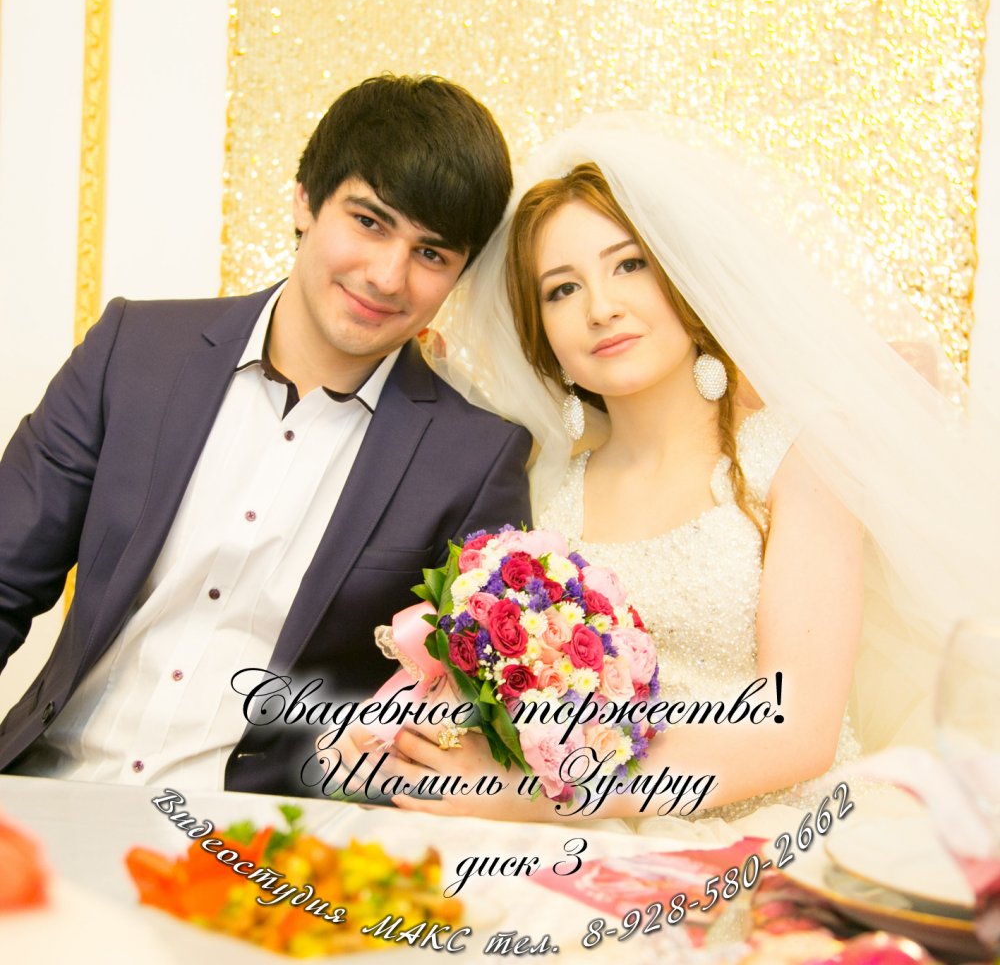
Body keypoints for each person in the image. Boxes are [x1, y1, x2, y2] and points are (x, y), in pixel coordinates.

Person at [366, 114, 1000, 831]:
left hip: (775, 831)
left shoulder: (799, 457)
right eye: (562, 290)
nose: (602, 308)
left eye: (629, 265)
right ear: (542, 335)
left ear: (686, 281)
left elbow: (797, 732)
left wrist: (537, 794)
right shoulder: (549, 492)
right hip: (598, 832)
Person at [0, 74, 532, 797]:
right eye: (369, 222)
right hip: (49, 793)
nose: (387, 276)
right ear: (305, 201)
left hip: (262, 840)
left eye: (431, 254)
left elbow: (469, 709)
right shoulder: (134, 350)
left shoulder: (474, 461)